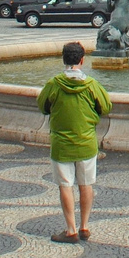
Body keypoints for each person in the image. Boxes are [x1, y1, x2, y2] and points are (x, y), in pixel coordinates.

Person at [36, 42, 112, 242]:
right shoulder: (92, 85)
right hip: (86, 142)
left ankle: (70, 229)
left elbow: (42, 106)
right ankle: (84, 226)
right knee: (86, 184)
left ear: (63, 59)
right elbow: (105, 107)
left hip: (61, 143)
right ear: (82, 60)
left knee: (65, 185)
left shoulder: (54, 84)